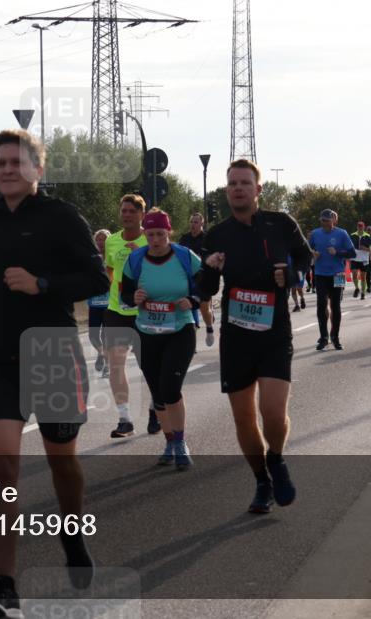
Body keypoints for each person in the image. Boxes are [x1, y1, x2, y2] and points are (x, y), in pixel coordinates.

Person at [0, 129, 108, 619]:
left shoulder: (63, 217)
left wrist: (41, 283)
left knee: (62, 462)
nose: (6, 169)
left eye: (16, 162)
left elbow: (95, 280)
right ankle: (5, 585)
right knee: (1, 472)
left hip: (52, 353)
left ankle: (72, 529)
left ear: (37, 170)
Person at [198, 159, 312, 514]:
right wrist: (209, 269)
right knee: (244, 418)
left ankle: (276, 458)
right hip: (237, 335)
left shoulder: (281, 224)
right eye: (232, 183)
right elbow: (203, 288)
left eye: (245, 182)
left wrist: (290, 276)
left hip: (274, 331)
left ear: (258, 189)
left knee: (273, 412)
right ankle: (262, 480)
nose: (237, 188)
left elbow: (305, 259)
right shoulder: (216, 235)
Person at [121, 209, 201, 469]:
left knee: (170, 387)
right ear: (144, 234)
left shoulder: (185, 257)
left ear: (169, 233)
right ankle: (169, 441)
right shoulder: (135, 259)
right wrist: (134, 298)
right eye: (151, 234)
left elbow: (205, 285)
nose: (155, 239)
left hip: (180, 328)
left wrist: (193, 300)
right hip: (146, 332)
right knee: (157, 392)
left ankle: (180, 441)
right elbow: (125, 294)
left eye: (161, 234)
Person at [103, 194, 158, 437]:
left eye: (131, 211)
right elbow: (110, 270)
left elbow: (161, 271)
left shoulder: (151, 239)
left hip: (146, 311)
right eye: (123, 211)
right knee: (115, 364)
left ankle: (155, 408)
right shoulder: (112, 241)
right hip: (117, 311)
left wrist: (142, 256)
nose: (126, 215)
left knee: (150, 366)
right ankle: (124, 419)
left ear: (141, 215)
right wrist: (116, 289)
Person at [307, 209, 356, 350]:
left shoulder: (342, 233)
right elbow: (307, 251)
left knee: (336, 306)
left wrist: (338, 252)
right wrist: (313, 254)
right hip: (320, 274)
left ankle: (335, 337)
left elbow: (352, 253)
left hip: (338, 274)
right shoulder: (316, 234)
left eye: (327, 220)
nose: (324, 223)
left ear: (333, 220)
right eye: (322, 220)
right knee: (321, 305)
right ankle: (323, 337)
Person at [177, 212, 216, 347]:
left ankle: (209, 329)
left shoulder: (207, 238)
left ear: (201, 224)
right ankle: (189, 338)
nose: (193, 225)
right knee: (185, 306)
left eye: (196, 222)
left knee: (204, 308)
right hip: (188, 278)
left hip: (203, 277)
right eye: (191, 222)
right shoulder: (184, 239)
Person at [88, 230, 111, 377]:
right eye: (98, 240)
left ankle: (107, 366)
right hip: (94, 303)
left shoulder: (112, 258)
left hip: (109, 303)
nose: (101, 242)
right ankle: (101, 353)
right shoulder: (91, 258)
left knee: (107, 335)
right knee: (93, 334)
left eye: (104, 240)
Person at [350, 221, 371, 299]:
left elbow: (370, 249)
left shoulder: (367, 236)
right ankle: (357, 288)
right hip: (354, 258)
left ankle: (363, 292)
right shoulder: (352, 235)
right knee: (354, 274)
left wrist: (365, 248)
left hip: (364, 259)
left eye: (361, 226)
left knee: (363, 277)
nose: (360, 227)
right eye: (359, 226)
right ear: (357, 227)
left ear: (364, 227)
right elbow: (349, 246)